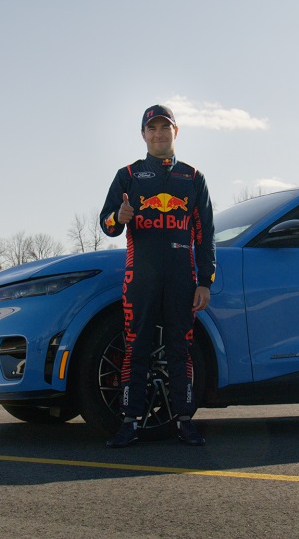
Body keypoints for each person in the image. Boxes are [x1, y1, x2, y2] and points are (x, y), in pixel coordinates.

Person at [99, 104, 216, 447]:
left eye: (165, 128)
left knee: (181, 349)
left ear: (175, 132)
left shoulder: (193, 178)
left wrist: (205, 281)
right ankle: (129, 422)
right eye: (152, 129)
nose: (159, 134)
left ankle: (184, 421)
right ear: (143, 135)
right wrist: (118, 217)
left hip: (182, 277)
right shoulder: (129, 175)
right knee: (136, 348)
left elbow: (205, 234)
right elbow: (106, 224)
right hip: (141, 277)